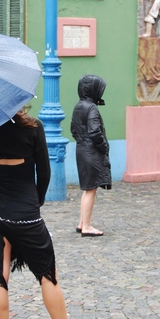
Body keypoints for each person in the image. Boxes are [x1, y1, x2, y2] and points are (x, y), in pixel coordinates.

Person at [0, 110, 87, 319]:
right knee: (48, 275)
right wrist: (35, 201)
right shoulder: (33, 127)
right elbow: (44, 172)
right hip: (25, 214)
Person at [71, 75, 111, 237]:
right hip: (91, 152)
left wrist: (83, 141)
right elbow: (95, 132)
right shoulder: (91, 107)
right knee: (91, 189)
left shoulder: (78, 105)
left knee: (88, 188)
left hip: (81, 149)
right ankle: (86, 226)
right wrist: (104, 146)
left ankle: (82, 223)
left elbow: (73, 129)